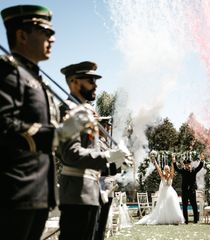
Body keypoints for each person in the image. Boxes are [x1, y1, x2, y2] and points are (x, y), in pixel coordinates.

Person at [0, 5, 94, 240]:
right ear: (22, 35)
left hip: (39, 193)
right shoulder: (7, 73)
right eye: (45, 31)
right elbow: (4, 127)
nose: (52, 38)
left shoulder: (37, 80)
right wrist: (55, 134)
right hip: (14, 192)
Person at [58, 61, 132, 240]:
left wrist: (116, 161)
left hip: (91, 193)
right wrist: (107, 156)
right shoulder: (69, 110)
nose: (95, 85)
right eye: (90, 81)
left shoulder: (86, 111)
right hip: (76, 194)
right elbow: (70, 154)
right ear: (74, 82)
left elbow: (92, 157)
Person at [136, 152, 184, 225]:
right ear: (164, 170)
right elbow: (158, 169)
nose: (167, 170)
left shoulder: (171, 175)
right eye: (165, 169)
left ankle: (175, 219)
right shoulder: (162, 176)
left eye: (168, 169)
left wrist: (173, 160)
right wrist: (155, 161)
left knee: (173, 205)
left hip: (171, 192)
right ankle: (163, 219)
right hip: (164, 193)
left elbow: (173, 168)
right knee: (163, 206)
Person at [173, 152, 204, 224]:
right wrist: (174, 161)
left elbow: (200, 167)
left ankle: (196, 220)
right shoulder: (183, 171)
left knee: (194, 205)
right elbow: (176, 169)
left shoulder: (193, 170)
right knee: (184, 206)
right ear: (184, 165)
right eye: (186, 164)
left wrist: (202, 160)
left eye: (189, 164)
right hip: (184, 191)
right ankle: (186, 220)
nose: (187, 165)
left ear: (190, 164)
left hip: (192, 191)